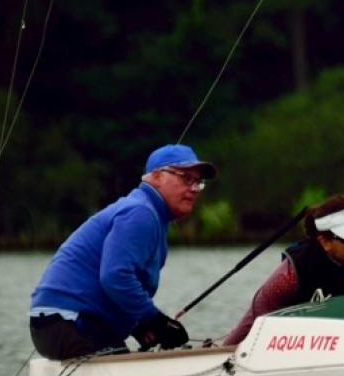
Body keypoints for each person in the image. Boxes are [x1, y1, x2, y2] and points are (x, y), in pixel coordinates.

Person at [28, 143, 217, 360]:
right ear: (157, 177)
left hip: (60, 324)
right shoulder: (141, 213)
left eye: (198, 182)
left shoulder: (148, 213)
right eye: (186, 179)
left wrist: (139, 325)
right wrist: (157, 321)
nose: (194, 189)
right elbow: (115, 276)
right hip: (67, 322)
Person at [223, 195, 344, 346]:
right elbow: (254, 322)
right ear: (325, 242)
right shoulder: (292, 273)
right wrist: (223, 353)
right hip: (297, 346)